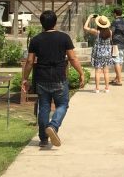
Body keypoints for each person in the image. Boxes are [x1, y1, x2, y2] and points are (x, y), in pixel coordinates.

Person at [20, 10, 84, 149]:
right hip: (59, 77)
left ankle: (43, 139)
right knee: (62, 105)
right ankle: (53, 126)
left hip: (41, 78)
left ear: (42, 24)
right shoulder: (64, 37)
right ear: (55, 22)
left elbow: (30, 61)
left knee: (44, 107)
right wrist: (81, 73)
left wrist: (25, 79)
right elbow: (72, 58)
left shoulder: (36, 39)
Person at [83, 13, 114, 93]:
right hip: (107, 54)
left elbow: (85, 27)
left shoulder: (96, 32)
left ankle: (97, 88)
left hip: (98, 54)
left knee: (97, 71)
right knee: (106, 71)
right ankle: (107, 88)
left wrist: (89, 18)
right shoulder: (110, 32)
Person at [110, 7, 124, 86]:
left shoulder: (115, 22)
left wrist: (110, 40)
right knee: (120, 61)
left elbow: (112, 32)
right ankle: (117, 78)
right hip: (123, 43)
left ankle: (119, 80)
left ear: (115, 14)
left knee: (116, 61)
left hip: (116, 43)